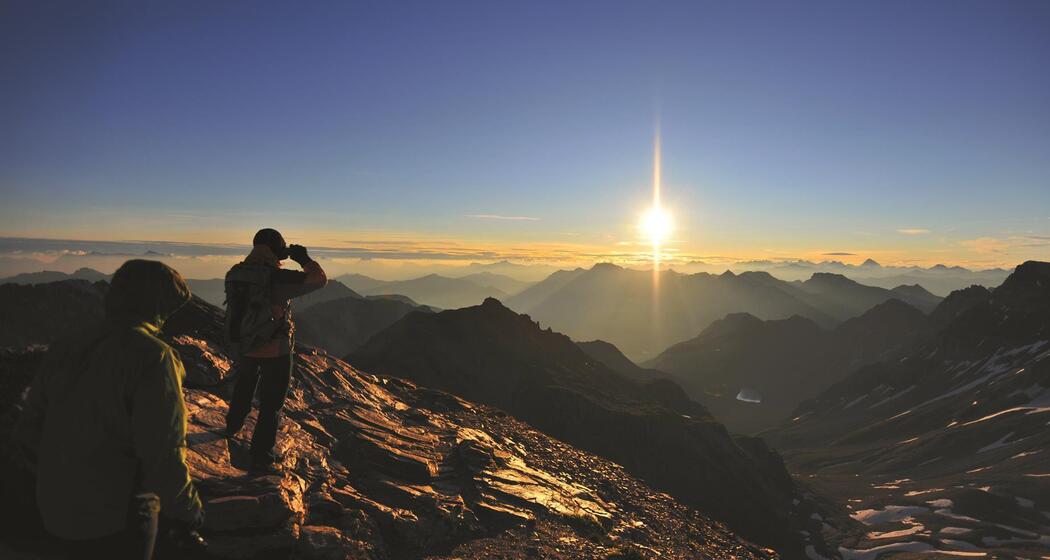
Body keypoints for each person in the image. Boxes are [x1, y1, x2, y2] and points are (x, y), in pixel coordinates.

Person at [14, 259, 206, 560]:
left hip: (53, 508)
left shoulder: (68, 344)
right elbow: (162, 451)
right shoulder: (154, 357)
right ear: (160, 305)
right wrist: (189, 511)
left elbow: (30, 425)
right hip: (116, 518)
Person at [223, 228, 326, 472]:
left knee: (243, 389)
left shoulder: (235, 273)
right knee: (271, 405)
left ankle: (231, 426)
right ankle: (261, 456)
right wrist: (304, 260)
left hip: (244, 346)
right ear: (275, 249)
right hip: (274, 348)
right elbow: (319, 280)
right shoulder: (275, 278)